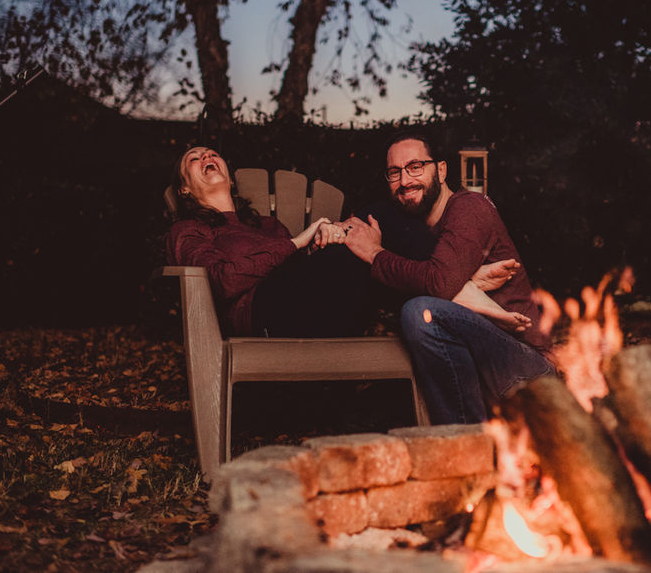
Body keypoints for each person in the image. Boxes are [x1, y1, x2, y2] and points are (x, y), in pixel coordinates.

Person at [343, 134, 554, 424]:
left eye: (416, 167)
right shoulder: (414, 236)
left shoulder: (469, 208)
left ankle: (462, 436)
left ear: (441, 171)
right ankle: (467, 441)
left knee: (421, 313)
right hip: (482, 369)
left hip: (528, 369)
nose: (405, 180)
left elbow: (438, 283)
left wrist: (375, 254)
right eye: (395, 172)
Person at [165, 146, 359, 338]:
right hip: (258, 316)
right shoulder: (189, 229)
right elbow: (221, 282)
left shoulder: (269, 225)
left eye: (213, 154)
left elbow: (300, 267)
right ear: (184, 189)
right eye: (194, 158)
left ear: (231, 181)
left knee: (353, 245)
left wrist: (322, 238)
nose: (207, 156)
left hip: (308, 304)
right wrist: (295, 243)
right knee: (345, 257)